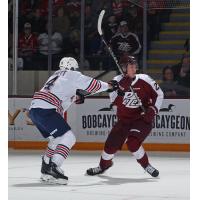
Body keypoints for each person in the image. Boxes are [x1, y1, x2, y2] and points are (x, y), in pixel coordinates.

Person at [29, 57, 119, 185]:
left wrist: (75, 97)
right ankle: (54, 167)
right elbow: (91, 84)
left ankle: (46, 168)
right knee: (69, 137)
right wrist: (109, 86)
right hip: (46, 109)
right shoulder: (72, 74)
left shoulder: (55, 75)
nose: (77, 71)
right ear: (72, 67)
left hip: (35, 109)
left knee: (56, 139)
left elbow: (61, 96)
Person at [86, 56, 164, 177]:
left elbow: (159, 94)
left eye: (134, 65)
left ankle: (146, 165)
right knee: (110, 146)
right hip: (124, 120)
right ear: (123, 69)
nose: (134, 68)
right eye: (130, 66)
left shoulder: (145, 79)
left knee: (133, 143)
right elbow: (114, 102)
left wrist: (153, 109)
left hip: (141, 119)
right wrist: (122, 88)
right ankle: (103, 166)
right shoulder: (116, 81)